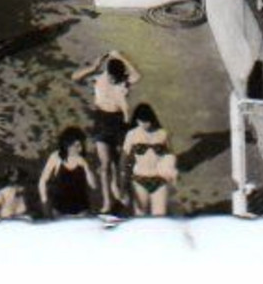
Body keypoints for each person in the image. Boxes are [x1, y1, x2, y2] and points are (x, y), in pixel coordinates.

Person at [72, 50, 141, 213]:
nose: (112, 80)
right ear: (107, 72)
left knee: (118, 162)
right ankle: (107, 201)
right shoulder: (99, 77)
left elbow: (137, 76)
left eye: (116, 78)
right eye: (111, 77)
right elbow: (75, 77)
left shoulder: (123, 81)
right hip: (102, 121)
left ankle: (118, 191)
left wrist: (122, 56)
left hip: (119, 123)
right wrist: (93, 66)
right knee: (104, 165)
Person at [122, 103, 175, 217]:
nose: (145, 124)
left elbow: (170, 155)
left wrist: (170, 174)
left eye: (147, 121)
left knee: (160, 217)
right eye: (142, 121)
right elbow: (125, 159)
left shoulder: (163, 134)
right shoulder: (132, 135)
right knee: (140, 217)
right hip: (139, 179)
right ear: (136, 121)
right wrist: (124, 181)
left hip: (159, 180)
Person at [38, 127, 96, 219]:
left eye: (81, 145)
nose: (80, 149)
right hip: (60, 210)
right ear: (68, 145)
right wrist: (45, 201)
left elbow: (94, 185)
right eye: (77, 146)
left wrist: (86, 166)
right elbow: (43, 180)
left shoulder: (84, 159)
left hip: (81, 211)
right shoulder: (56, 157)